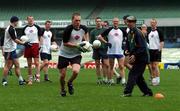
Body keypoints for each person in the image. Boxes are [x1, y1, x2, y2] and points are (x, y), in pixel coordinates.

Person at [58, 13, 89, 97]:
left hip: (75, 54)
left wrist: (87, 45)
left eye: (79, 20)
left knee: (75, 71)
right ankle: (62, 89)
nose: (78, 22)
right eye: (76, 20)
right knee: (62, 75)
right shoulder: (68, 29)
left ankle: (70, 82)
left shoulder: (84, 28)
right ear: (72, 21)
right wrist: (77, 45)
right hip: (64, 53)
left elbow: (86, 39)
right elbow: (65, 43)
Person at [123, 16, 153, 97]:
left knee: (133, 74)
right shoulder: (130, 32)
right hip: (138, 57)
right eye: (127, 21)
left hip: (142, 57)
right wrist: (126, 51)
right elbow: (129, 44)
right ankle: (147, 92)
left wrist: (134, 55)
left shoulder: (138, 33)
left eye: (130, 22)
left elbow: (142, 47)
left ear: (134, 23)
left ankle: (127, 92)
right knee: (138, 77)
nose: (128, 23)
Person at [2, 16, 30, 86]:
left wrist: (22, 42)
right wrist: (24, 43)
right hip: (8, 50)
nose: (18, 22)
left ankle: (20, 80)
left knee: (17, 64)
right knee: (7, 66)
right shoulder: (10, 29)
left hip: (12, 49)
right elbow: (15, 39)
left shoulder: (12, 28)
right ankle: (4, 81)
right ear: (14, 21)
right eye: (17, 21)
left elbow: (15, 39)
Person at [98, 17, 126, 85]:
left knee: (121, 66)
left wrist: (124, 44)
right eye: (114, 22)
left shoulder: (122, 30)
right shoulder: (109, 30)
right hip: (111, 52)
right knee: (111, 66)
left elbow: (127, 38)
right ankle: (111, 80)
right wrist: (106, 42)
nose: (115, 23)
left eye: (116, 21)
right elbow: (99, 37)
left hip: (119, 51)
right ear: (112, 22)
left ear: (118, 22)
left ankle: (123, 80)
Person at [22, 16, 42, 85]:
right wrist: (25, 43)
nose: (31, 20)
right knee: (29, 64)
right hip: (28, 45)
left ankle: (37, 77)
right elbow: (23, 38)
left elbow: (40, 37)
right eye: (29, 19)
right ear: (27, 20)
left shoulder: (37, 27)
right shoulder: (24, 28)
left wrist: (40, 45)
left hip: (35, 45)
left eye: (32, 19)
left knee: (37, 63)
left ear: (33, 20)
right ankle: (30, 79)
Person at [90, 17, 109, 84]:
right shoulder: (92, 31)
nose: (98, 22)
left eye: (99, 21)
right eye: (97, 21)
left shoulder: (105, 30)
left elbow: (107, 40)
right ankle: (99, 79)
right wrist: (93, 45)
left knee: (105, 65)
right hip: (96, 50)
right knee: (97, 65)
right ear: (95, 22)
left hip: (104, 49)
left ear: (101, 22)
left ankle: (105, 78)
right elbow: (91, 42)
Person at [148, 19, 164, 86]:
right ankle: (154, 80)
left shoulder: (159, 31)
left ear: (156, 23)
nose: (152, 24)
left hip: (156, 50)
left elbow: (162, 42)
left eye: (153, 23)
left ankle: (157, 80)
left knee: (155, 65)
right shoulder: (149, 32)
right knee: (151, 66)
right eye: (151, 23)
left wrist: (159, 50)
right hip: (150, 50)